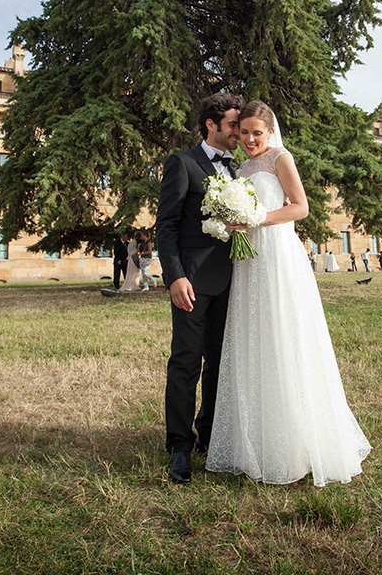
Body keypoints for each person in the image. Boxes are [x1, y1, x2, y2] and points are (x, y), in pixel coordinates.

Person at [206, 101, 370, 486]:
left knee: (284, 337)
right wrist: (231, 223)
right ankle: (259, 444)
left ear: (269, 132)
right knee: (255, 341)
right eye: (243, 132)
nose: (248, 140)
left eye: (256, 133)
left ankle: (298, 445)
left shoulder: (281, 157)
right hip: (248, 262)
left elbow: (301, 207)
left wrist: (257, 217)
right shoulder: (242, 168)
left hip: (278, 255)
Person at [156, 92, 243, 485]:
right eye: (232, 125)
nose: (238, 133)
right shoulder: (183, 163)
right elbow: (167, 225)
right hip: (190, 282)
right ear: (211, 125)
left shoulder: (238, 170)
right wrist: (174, 276)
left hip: (233, 283)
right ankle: (179, 445)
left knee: (220, 364)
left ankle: (209, 434)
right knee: (187, 362)